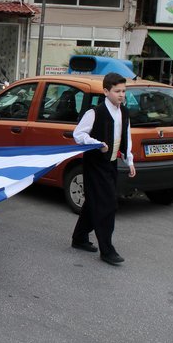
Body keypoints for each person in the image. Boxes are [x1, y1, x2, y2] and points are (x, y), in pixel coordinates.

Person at [70, 72, 135, 266]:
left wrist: (130, 160)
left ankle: (79, 238)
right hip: (95, 165)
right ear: (106, 91)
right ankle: (107, 250)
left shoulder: (124, 112)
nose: (121, 95)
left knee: (94, 202)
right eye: (117, 91)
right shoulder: (94, 113)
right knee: (107, 205)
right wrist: (97, 143)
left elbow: (127, 136)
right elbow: (78, 134)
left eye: (124, 91)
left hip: (112, 163)